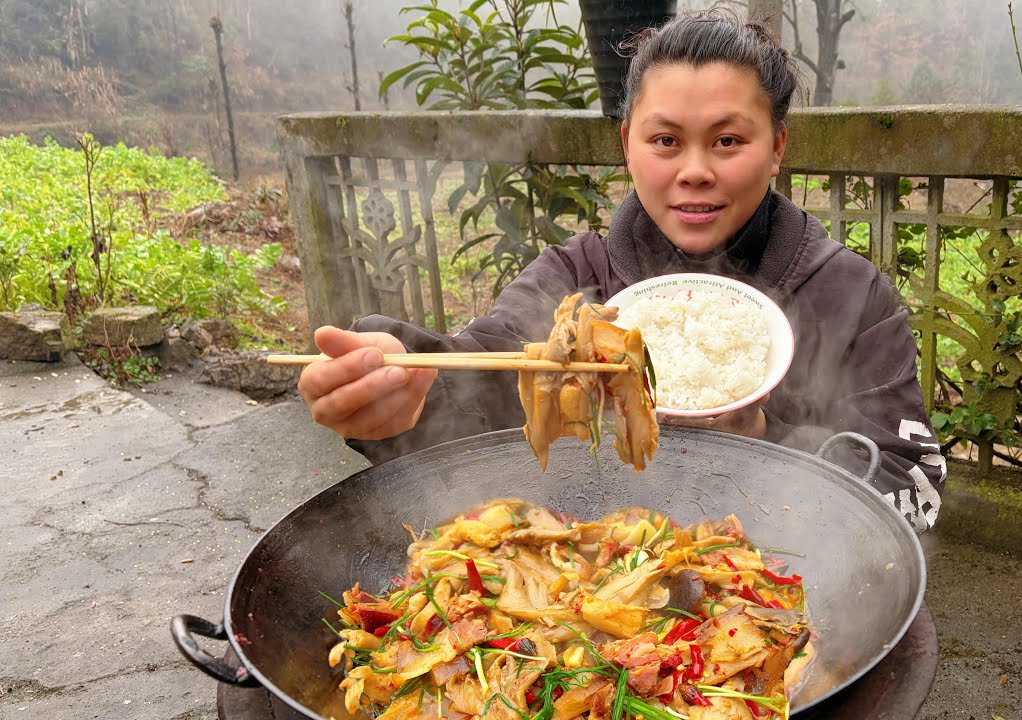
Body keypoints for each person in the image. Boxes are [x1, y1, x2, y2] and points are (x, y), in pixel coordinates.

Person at [297, 10, 946, 532]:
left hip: (794, 589)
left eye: (728, 140)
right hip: (602, 592)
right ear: (626, 145)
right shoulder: (576, 277)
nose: (695, 170)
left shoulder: (853, 296)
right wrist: (407, 387)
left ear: (776, 147)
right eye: (665, 140)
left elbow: (914, 492)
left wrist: (763, 435)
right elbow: (485, 375)